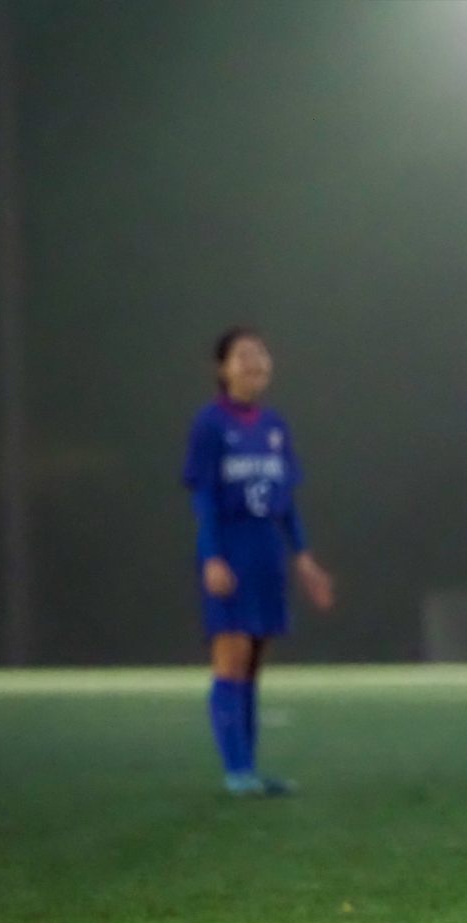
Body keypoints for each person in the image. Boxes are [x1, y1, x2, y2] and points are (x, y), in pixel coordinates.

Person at [183, 328, 334, 796]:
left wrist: (303, 557)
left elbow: (285, 501)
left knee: (254, 664)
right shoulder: (210, 424)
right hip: (232, 544)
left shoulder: (274, 426)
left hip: (267, 549)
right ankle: (237, 772)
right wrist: (211, 557)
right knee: (231, 659)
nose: (255, 363)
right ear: (222, 369)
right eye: (243, 355)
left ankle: (249, 768)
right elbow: (204, 496)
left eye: (261, 354)